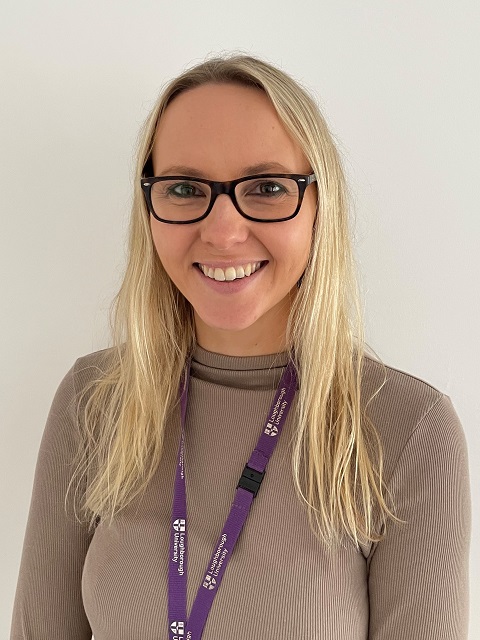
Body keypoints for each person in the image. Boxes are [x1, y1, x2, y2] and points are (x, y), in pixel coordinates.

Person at [10, 53, 471, 640]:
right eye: (184, 188)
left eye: (268, 188)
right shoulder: (93, 402)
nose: (224, 233)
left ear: (320, 207)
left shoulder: (409, 429)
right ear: (149, 207)